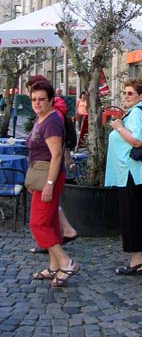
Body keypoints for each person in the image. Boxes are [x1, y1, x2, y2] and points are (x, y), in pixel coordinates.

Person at [27, 81, 79, 287]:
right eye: (34, 99)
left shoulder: (51, 122)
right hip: (41, 176)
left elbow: (57, 155)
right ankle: (54, 265)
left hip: (49, 176)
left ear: (50, 100)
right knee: (49, 222)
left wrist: (49, 183)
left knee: (37, 223)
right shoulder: (42, 118)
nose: (37, 103)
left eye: (41, 99)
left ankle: (66, 262)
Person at [105, 77, 142, 275]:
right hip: (140, 172)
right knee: (141, 214)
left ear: (141, 95)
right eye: (124, 93)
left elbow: (137, 141)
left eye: (130, 94)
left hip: (130, 172)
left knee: (132, 216)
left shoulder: (136, 113)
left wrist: (119, 127)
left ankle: (136, 261)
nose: (126, 97)